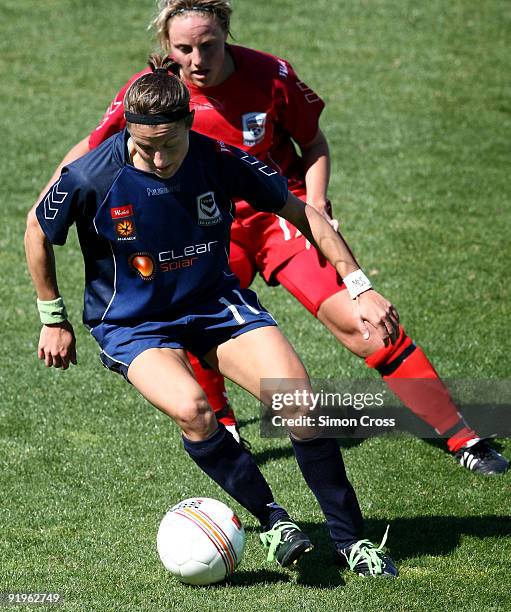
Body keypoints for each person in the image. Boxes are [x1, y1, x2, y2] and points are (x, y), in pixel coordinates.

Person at [32, 0, 509, 475]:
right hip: (200, 230)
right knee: (190, 315)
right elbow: (94, 150)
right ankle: (222, 421)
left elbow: (314, 144)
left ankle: (462, 435)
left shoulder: (272, 77)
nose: (198, 60)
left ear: (227, 35)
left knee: (363, 325)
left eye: (209, 45)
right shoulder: (155, 98)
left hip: (275, 219)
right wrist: (50, 197)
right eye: (184, 49)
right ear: (166, 48)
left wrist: (317, 204)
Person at [25, 56, 401, 577]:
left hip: (213, 305)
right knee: (195, 411)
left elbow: (303, 213)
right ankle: (273, 522)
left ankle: (351, 540)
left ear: (189, 125)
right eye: (144, 146)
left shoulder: (220, 158)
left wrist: (359, 285)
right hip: (134, 323)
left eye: (169, 145)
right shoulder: (91, 175)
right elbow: (36, 229)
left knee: (300, 404)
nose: (157, 158)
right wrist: (53, 316)